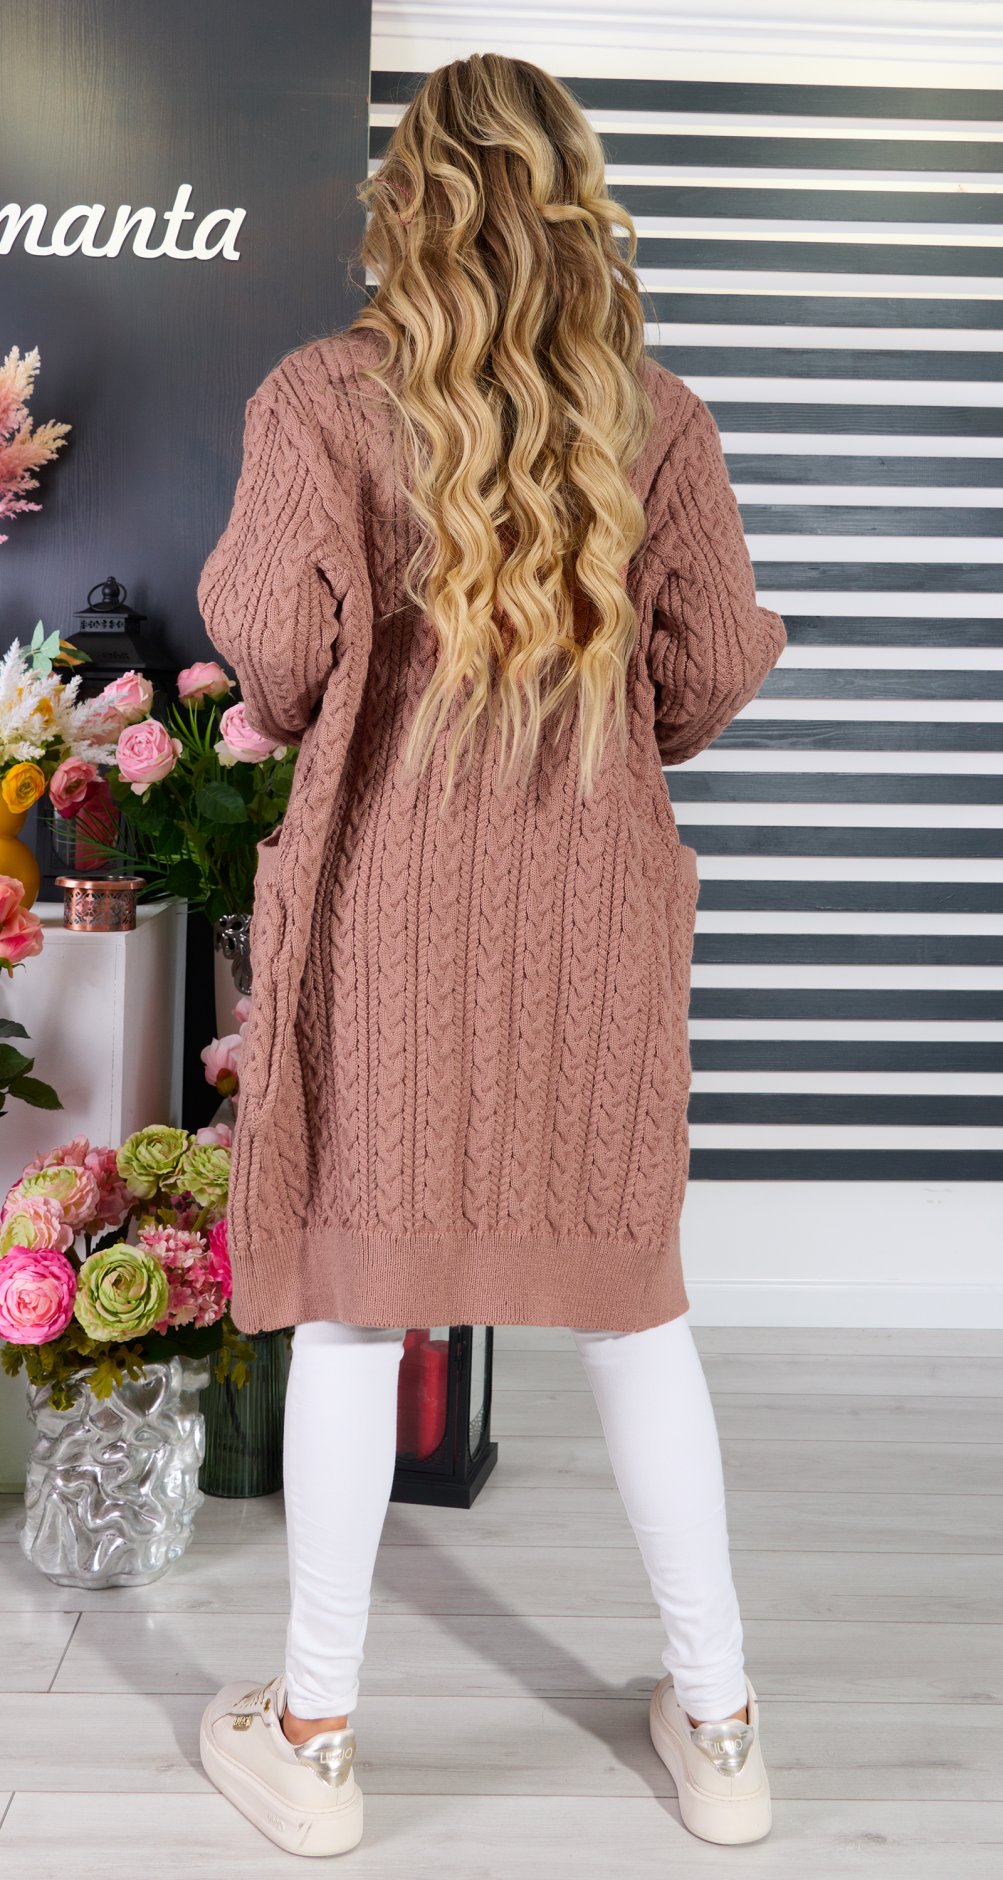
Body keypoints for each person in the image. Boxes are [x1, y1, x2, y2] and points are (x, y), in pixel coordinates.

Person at [195, 52, 786, 1860]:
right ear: (576, 203)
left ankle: (313, 1739)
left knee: (357, 1310)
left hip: (389, 914)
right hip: (596, 916)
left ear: (409, 206)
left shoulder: (319, 400)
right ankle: (724, 1732)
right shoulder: (657, 419)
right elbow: (713, 666)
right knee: (634, 1311)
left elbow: (276, 659)